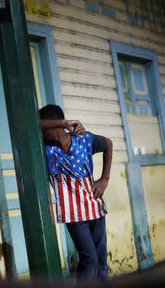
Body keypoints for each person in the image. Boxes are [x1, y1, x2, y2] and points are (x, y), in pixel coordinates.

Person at [39, 104, 113, 282]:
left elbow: (108, 144)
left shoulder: (84, 139)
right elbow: (32, 125)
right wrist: (65, 122)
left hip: (95, 208)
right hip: (73, 215)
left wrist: (105, 179)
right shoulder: (47, 150)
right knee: (90, 260)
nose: (41, 132)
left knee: (101, 260)